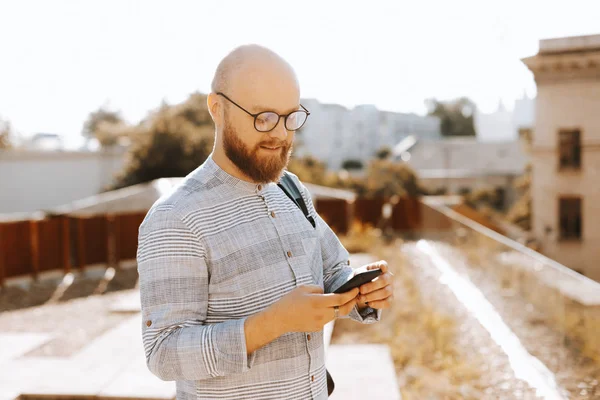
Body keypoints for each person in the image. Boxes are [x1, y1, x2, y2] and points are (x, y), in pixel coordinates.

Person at [136, 44, 394, 400]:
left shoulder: (290, 187)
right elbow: (164, 353)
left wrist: (360, 289)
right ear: (217, 109)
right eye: (263, 117)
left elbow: (333, 269)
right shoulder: (175, 219)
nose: (280, 134)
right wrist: (275, 322)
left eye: (290, 117)